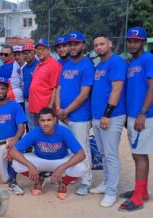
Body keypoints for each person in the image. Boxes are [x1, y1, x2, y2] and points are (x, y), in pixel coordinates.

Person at [10, 108, 85, 200]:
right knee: (16, 163)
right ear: (39, 121)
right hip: (40, 159)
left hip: (60, 160)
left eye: (49, 120)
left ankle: (63, 183)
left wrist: (62, 168)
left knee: (80, 168)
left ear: (54, 120)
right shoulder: (35, 131)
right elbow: (13, 151)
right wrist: (30, 166)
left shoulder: (63, 131)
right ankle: (38, 179)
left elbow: (81, 154)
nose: (46, 123)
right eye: (43, 120)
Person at [89, 33, 127, 207]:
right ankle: (106, 183)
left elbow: (117, 89)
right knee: (103, 154)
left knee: (111, 155)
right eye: (96, 45)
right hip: (98, 117)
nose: (98, 47)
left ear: (110, 44)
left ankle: (112, 191)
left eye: (102, 44)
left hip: (111, 116)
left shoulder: (116, 62)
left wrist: (107, 114)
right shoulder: (100, 65)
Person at [118, 27, 153, 212]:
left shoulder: (149, 59)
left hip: (144, 115)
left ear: (143, 42)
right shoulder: (131, 62)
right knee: (136, 153)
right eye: (129, 40)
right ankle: (142, 191)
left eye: (136, 40)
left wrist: (142, 112)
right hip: (132, 115)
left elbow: (152, 87)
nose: (132, 43)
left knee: (140, 155)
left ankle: (138, 198)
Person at [55, 31, 95, 197]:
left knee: (81, 148)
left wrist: (66, 110)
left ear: (83, 45)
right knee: (68, 148)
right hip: (63, 115)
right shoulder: (67, 65)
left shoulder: (87, 65)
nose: (72, 47)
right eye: (70, 44)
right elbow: (59, 88)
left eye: (76, 44)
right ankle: (73, 175)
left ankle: (86, 181)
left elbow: (84, 93)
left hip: (79, 116)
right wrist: (58, 109)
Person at [0, 78, 26, 195]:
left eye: (3, 88)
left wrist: (15, 140)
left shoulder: (15, 106)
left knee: (12, 170)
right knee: (2, 180)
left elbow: (21, 127)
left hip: (10, 142)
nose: (0, 91)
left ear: (7, 89)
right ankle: (6, 169)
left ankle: (13, 173)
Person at [28, 38, 62, 125]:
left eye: (42, 49)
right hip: (35, 108)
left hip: (45, 111)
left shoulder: (54, 65)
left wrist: (49, 109)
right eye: (37, 49)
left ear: (49, 50)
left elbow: (55, 88)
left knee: (48, 136)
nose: (39, 52)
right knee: (39, 136)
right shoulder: (39, 64)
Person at [22, 43, 38, 130]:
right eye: (24, 53)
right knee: (30, 125)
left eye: (28, 52)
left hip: (36, 100)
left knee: (38, 125)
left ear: (34, 53)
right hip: (27, 101)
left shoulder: (39, 65)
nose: (26, 55)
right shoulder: (24, 68)